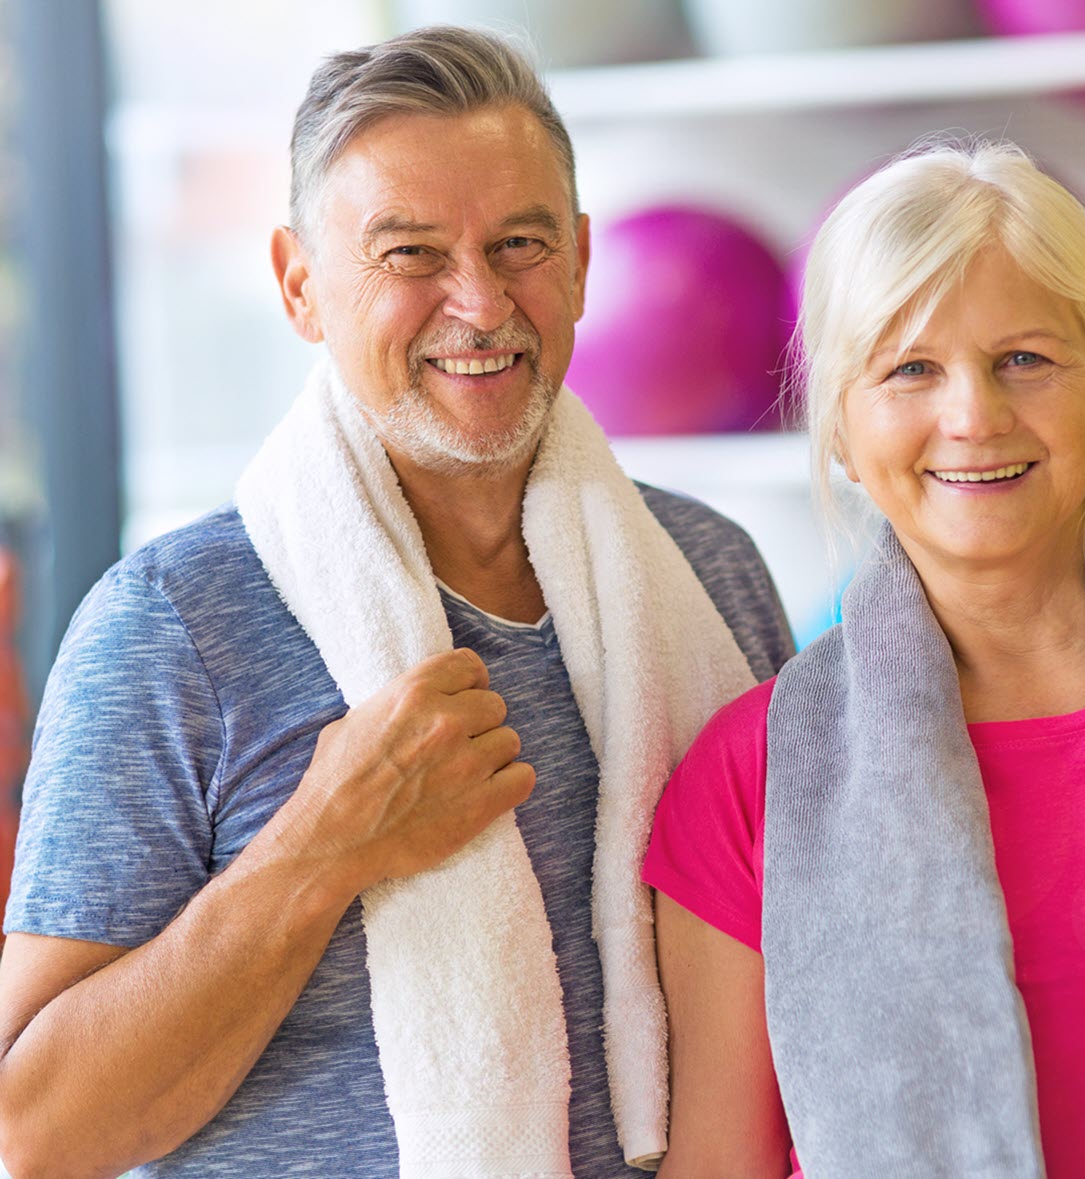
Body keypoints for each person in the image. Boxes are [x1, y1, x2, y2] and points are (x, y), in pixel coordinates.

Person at [0, 27, 792, 1179]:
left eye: (518, 244)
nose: (478, 303)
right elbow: (33, 1127)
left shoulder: (711, 574)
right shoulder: (171, 626)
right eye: (410, 253)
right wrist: (322, 848)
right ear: (300, 285)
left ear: (577, 261)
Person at [643, 138, 1085, 1179]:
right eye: (911, 370)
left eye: (1024, 357)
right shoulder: (754, 775)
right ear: (841, 425)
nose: (973, 415)